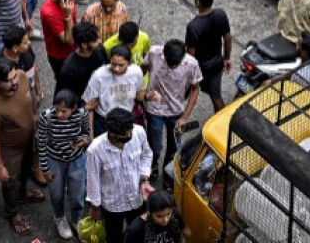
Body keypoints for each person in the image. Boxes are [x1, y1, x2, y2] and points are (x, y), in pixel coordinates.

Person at [0, 57, 44, 235]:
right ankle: (13, 213)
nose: (14, 82)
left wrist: (34, 113)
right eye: (8, 81)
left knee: (27, 169)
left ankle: (23, 193)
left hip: (29, 139)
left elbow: (31, 94)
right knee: (10, 181)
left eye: (14, 77)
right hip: (10, 151)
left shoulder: (22, 76)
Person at [85, 107, 154, 243]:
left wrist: (144, 179)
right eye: (125, 134)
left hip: (136, 198)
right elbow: (93, 179)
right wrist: (95, 207)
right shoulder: (95, 150)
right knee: (114, 237)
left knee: (138, 235)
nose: (129, 135)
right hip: (112, 204)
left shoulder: (139, 132)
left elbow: (147, 154)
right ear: (111, 132)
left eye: (130, 131)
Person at [141, 40, 201, 181]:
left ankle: (168, 174)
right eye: (170, 63)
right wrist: (141, 92)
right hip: (154, 110)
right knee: (154, 147)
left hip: (176, 112)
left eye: (176, 64)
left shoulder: (191, 64)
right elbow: (142, 68)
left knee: (174, 148)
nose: (173, 66)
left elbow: (195, 89)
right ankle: (153, 165)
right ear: (164, 54)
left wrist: (185, 117)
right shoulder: (154, 52)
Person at [39, 89, 90, 239]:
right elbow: (41, 143)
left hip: (76, 159)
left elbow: (87, 133)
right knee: (56, 193)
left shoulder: (82, 114)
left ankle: (77, 219)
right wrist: (45, 168)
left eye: (64, 111)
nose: (59, 114)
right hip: (54, 160)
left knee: (77, 193)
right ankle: (59, 217)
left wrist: (83, 142)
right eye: (57, 110)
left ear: (73, 109)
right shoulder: (46, 117)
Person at [185, 0, 231, 113]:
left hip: (202, 68)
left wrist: (188, 75)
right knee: (215, 95)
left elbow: (190, 56)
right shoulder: (220, 14)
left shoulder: (193, 27)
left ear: (198, 2)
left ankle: (222, 121)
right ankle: (221, 120)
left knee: (213, 96)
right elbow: (227, 38)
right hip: (217, 63)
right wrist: (227, 58)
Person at [42, 0, 81, 76]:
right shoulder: (49, 12)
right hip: (60, 57)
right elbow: (68, 40)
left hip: (74, 50)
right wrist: (67, 16)